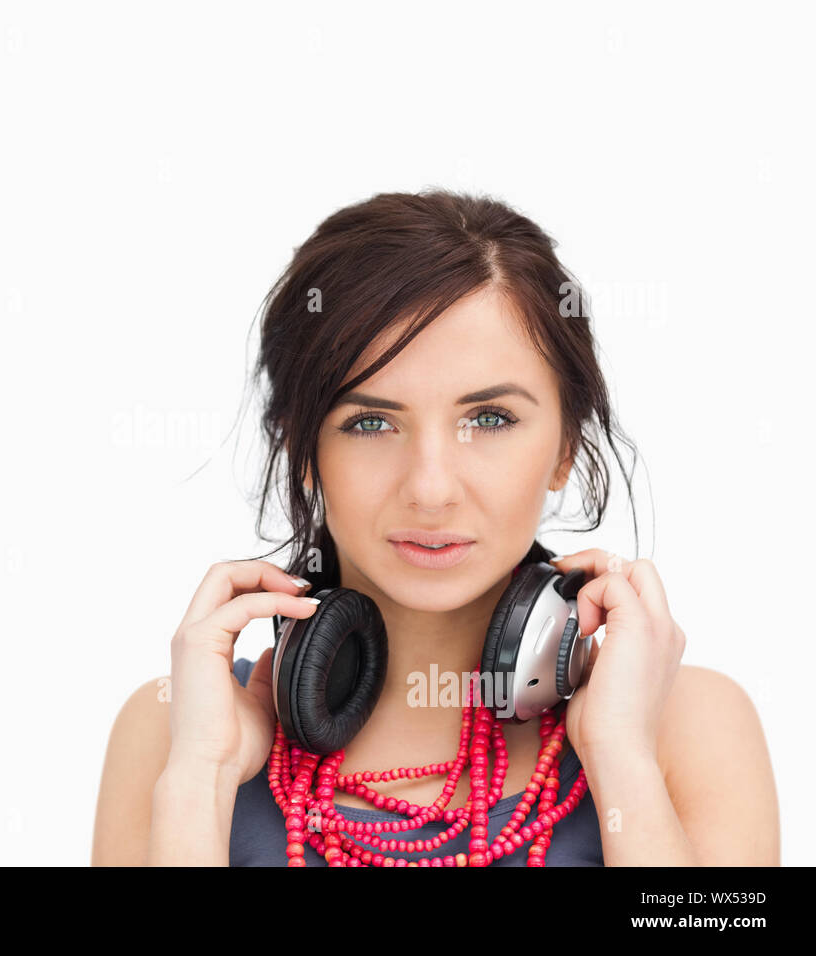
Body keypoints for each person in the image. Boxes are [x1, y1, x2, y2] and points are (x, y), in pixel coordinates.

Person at [91, 189, 780, 866]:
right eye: (370, 422)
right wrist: (201, 781)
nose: (430, 488)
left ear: (566, 447)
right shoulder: (173, 728)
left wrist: (621, 759)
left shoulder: (689, 726)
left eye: (489, 419)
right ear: (302, 451)